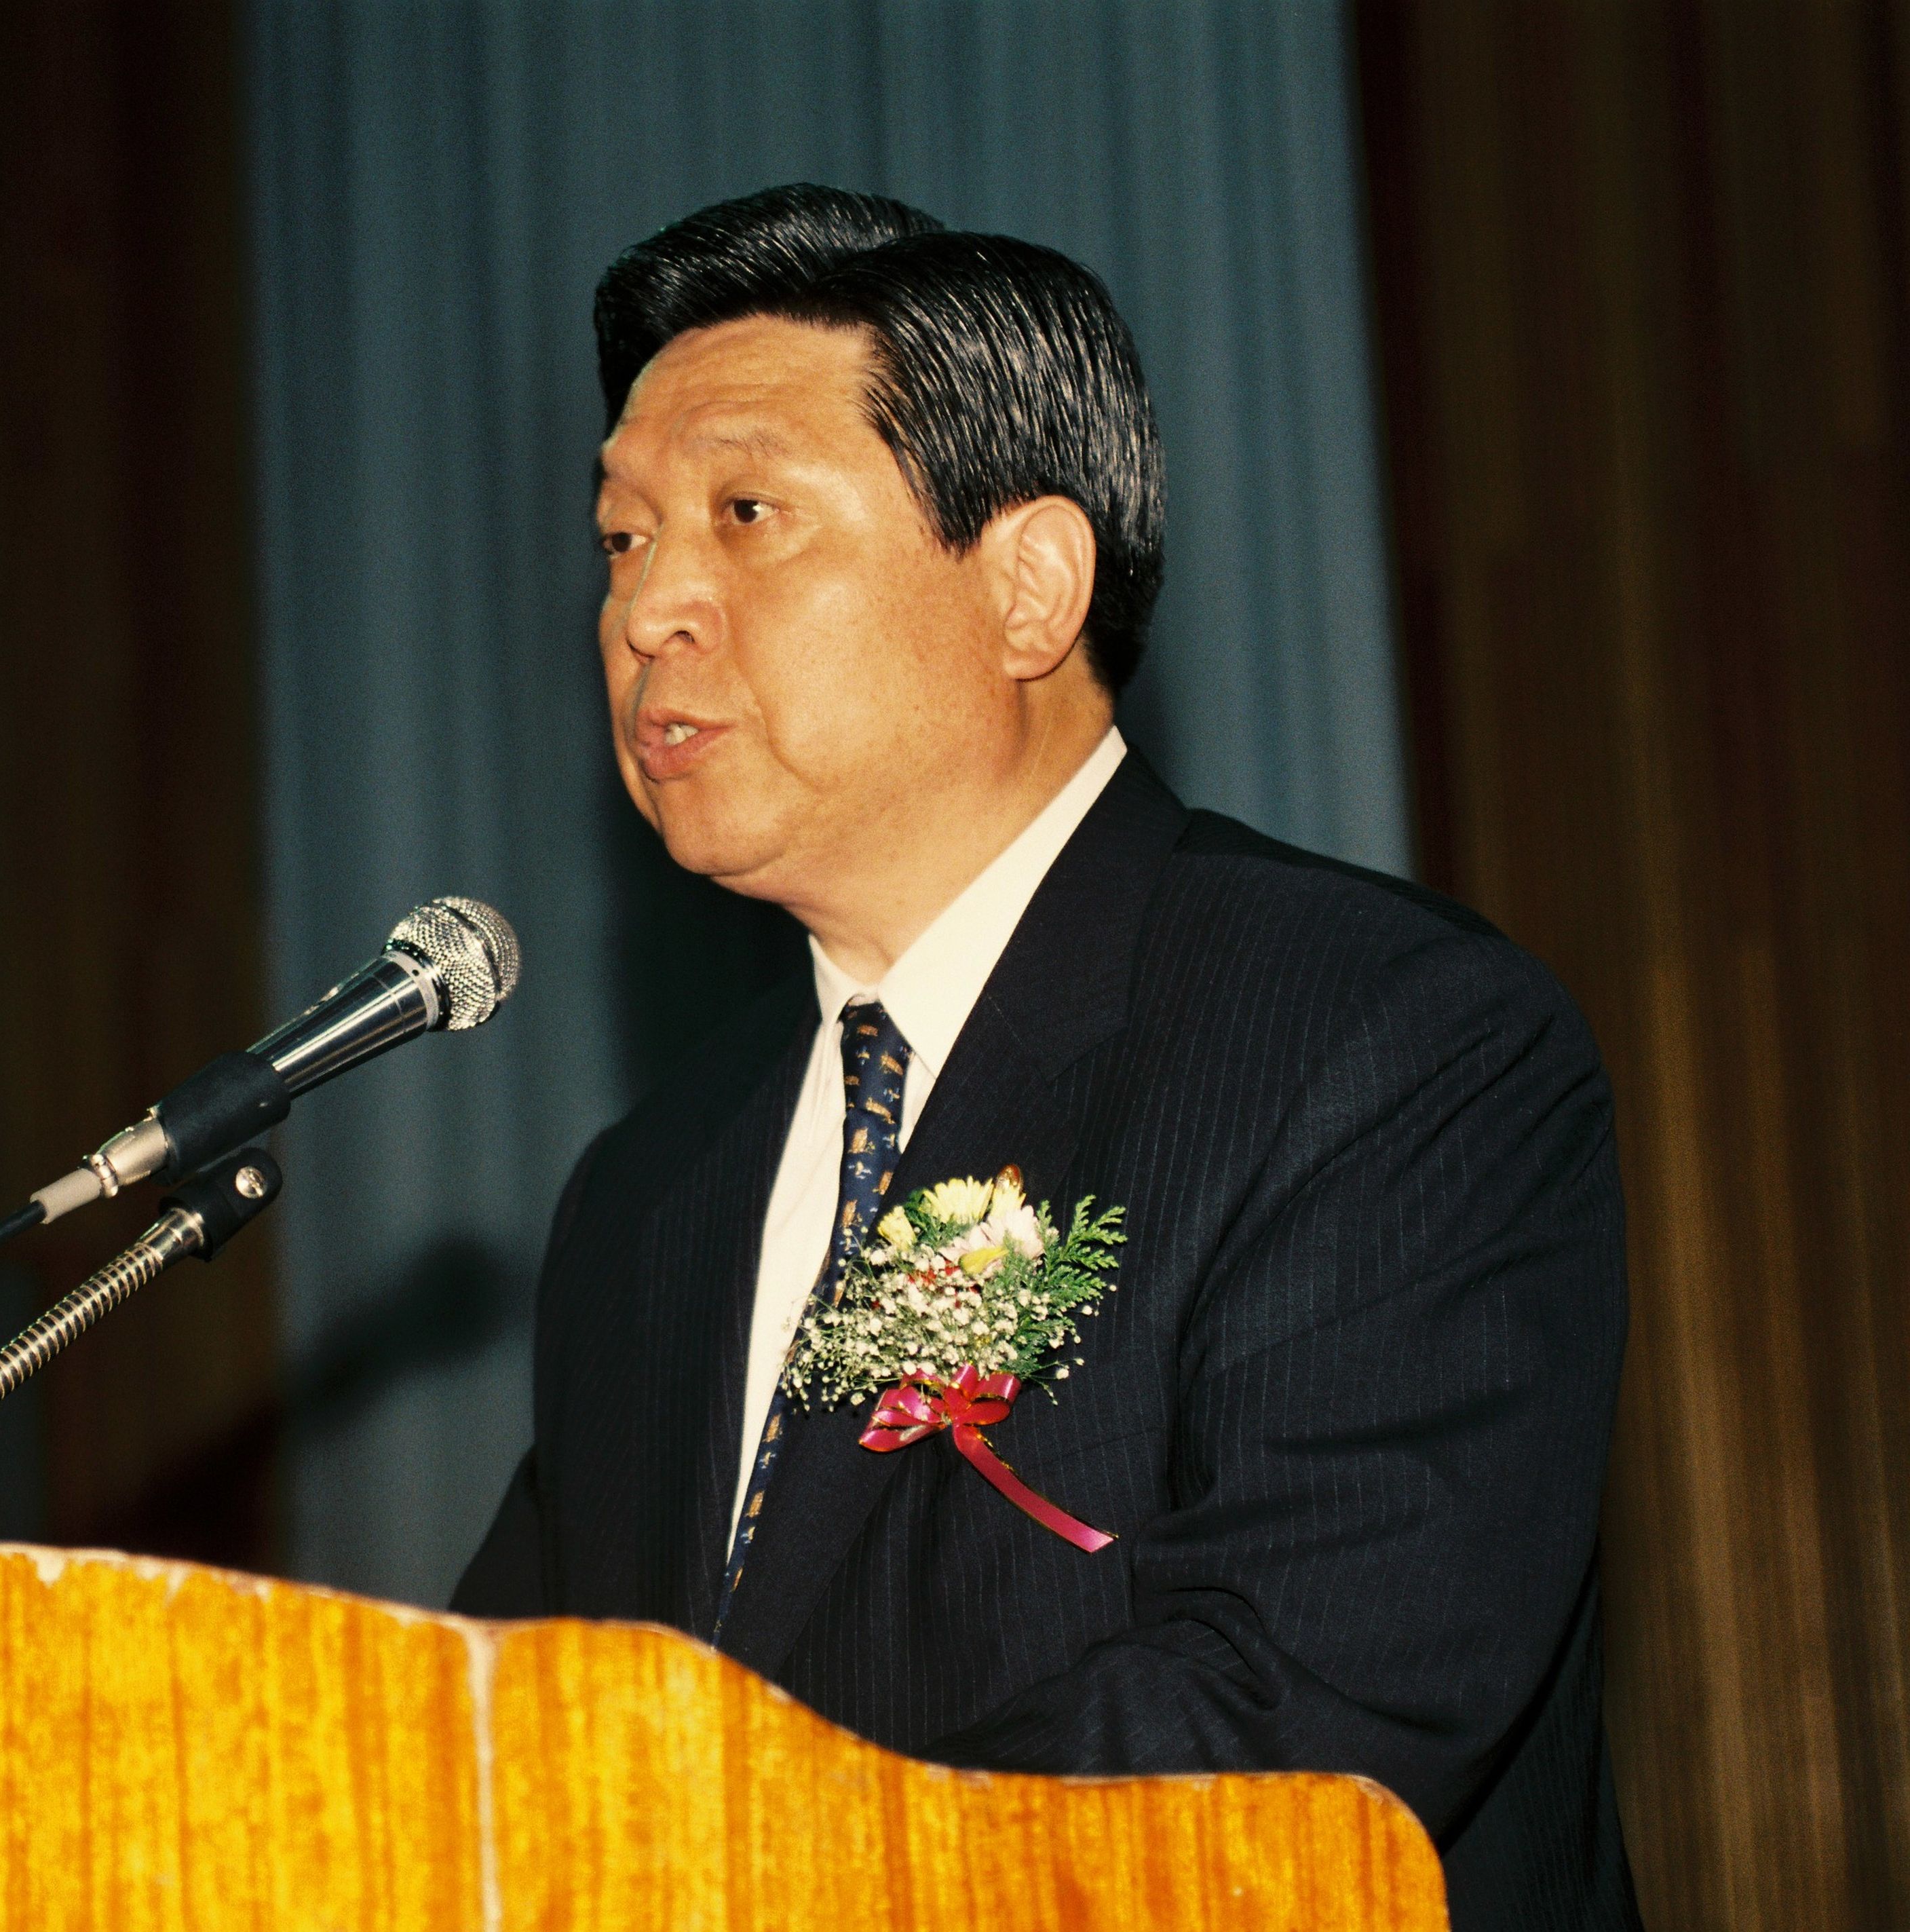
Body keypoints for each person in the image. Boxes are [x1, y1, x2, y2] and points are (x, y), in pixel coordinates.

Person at [451, 185, 1637, 1932]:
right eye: (622, 537)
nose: (646, 609)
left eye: (745, 513)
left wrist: (732, 1886)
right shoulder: (649, 1189)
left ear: (1029, 587)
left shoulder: (1383, 1035)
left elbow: (1295, 1725)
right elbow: (505, 1745)